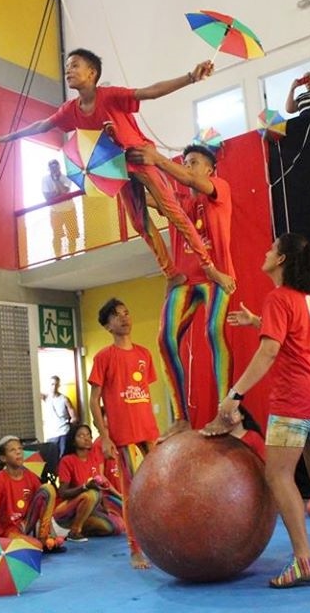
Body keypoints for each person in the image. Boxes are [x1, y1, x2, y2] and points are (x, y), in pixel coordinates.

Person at [0, 48, 235, 293]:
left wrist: (190, 77)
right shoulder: (71, 109)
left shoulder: (109, 96)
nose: (69, 70)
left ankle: (209, 267)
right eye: (67, 66)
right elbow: (44, 124)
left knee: (175, 214)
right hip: (118, 167)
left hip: (140, 157)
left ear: (92, 73)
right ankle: (171, 273)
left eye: (75, 65)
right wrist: (14, 136)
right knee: (139, 224)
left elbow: (150, 92)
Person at [201, 233, 310, 588]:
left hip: (294, 403)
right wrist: (257, 321)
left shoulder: (278, 297)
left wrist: (234, 394)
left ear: (281, 260)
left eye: (271, 249)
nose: (266, 252)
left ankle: (302, 560)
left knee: (278, 476)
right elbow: (295, 338)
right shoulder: (306, 301)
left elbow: (269, 352)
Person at [127, 143, 235, 440]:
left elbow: (190, 180)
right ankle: (180, 417)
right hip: (184, 281)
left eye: (194, 162)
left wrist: (158, 159)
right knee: (164, 338)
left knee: (213, 330)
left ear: (210, 169)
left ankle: (225, 412)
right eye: (185, 161)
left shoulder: (219, 189)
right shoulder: (179, 202)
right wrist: (128, 171)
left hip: (217, 278)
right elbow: (148, 198)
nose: (188, 166)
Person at [88, 298, 160, 569]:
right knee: (132, 493)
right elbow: (94, 400)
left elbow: (143, 393)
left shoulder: (144, 354)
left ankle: (162, 539)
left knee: (158, 487)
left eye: (126, 313)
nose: (124, 318)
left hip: (148, 432)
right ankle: (135, 549)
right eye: (117, 316)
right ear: (108, 326)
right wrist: (104, 435)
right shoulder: (103, 357)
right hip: (123, 436)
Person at [0, 435, 64, 553]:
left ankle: (44, 538)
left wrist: (51, 532)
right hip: (7, 531)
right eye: (12, 450)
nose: (18, 452)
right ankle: (13, 545)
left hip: (26, 524)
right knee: (37, 546)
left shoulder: (30, 476)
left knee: (48, 489)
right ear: (3, 458)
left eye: (20, 449)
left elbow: (43, 501)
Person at [54, 423, 119, 541]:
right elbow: (63, 493)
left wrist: (105, 507)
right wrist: (84, 487)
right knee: (92, 493)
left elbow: (100, 484)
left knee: (112, 527)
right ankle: (74, 532)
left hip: (88, 510)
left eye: (88, 435)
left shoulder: (93, 458)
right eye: (81, 436)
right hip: (66, 512)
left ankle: (80, 526)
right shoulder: (67, 461)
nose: (86, 438)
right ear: (73, 441)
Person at [41, 159, 79, 257]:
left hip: (69, 209)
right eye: (52, 168)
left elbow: (65, 191)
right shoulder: (45, 179)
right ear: (48, 169)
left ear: (59, 167)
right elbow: (47, 197)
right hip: (55, 211)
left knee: (72, 235)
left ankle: (72, 256)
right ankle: (58, 257)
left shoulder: (66, 177)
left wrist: (56, 181)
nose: (54, 169)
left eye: (56, 167)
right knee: (56, 235)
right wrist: (58, 192)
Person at [42, 376, 78, 457]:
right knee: (52, 458)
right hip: (51, 434)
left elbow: (73, 416)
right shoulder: (45, 398)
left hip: (63, 432)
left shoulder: (64, 399)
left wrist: (71, 422)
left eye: (56, 384)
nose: (54, 386)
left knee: (62, 456)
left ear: (59, 386)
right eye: (52, 384)